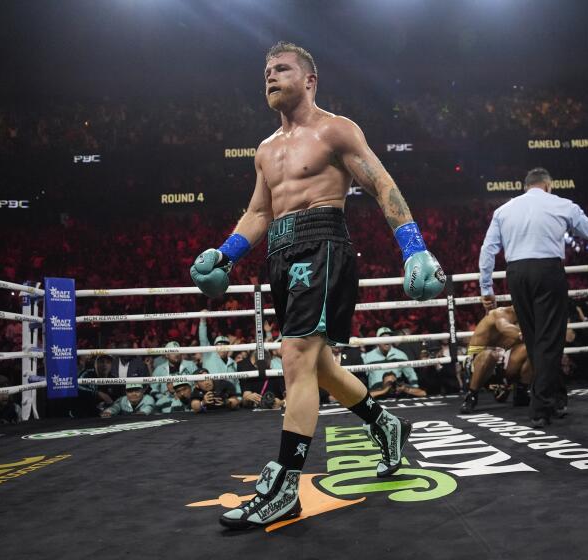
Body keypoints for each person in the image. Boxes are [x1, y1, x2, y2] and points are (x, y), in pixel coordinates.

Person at [189, 41, 444, 529]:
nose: (270, 76)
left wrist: (414, 247)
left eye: (281, 68)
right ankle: (385, 425)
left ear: (309, 80)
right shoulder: (265, 150)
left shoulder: (336, 129)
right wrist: (226, 254)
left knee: (297, 357)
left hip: (321, 243)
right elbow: (259, 212)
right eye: (266, 70)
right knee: (319, 365)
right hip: (279, 254)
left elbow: (381, 184)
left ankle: (285, 486)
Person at [479, 167, 588, 427]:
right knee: (550, 339)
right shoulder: (561, 204)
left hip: (516, 274)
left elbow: (488, 249)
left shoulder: (504, 210)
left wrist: (486, 288)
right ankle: (541, 407)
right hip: (547, 271)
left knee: (535, 340)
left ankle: (557, 398)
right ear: (548, 185)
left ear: (526, 186)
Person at [459, 306, 534, 413]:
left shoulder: (528, 319)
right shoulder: (499, 313)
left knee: (532, 349)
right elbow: (504, 327)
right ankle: (471, 396)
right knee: (489, 355)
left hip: (502, 362)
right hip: (478, 360)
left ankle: (521, 392)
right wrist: (524, 334)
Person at [363, 327, 426, 399]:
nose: (387, 341)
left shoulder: (401, 355)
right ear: (377, 340)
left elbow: (410, 374)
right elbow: (362, 378)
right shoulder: (368, 356)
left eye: (389, 338)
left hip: (397, 391)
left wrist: (414, 390)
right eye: (384, 338)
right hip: (376, 392)